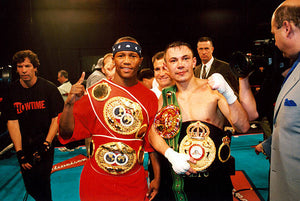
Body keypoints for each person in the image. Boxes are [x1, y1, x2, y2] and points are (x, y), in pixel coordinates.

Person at [58, 36, 160, 201]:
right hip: (97, 180)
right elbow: (66, 133)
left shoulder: (149, 98)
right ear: (113, 60)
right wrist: (68, 105)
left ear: (140, 61)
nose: (126, 61)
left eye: (132, 56)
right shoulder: (96, 93)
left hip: (133, 181)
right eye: (121, 56)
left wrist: (157, 177)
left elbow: (152, 144)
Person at [149, 41, 250, 201]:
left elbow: (243, 126)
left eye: (185, 58)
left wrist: (229, 94)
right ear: (167, 67)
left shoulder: (214, 90)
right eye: (174, 61)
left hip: (214, 180)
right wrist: (170, 154)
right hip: (178, 183)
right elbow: (153, 133)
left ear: (194, 62)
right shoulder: (166, 97)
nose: (180, 65)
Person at [255, 1, 300, 200]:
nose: (274, 42)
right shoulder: (294, 67)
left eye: (274, 34)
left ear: (287, 28)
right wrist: (270, 144)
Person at [5, 50, 64, 201]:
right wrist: (19, 152)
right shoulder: (12, 91)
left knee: (43, 182)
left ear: (35, 67)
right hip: (24, 145)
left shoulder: (49, 89)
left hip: (44, 142)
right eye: (20, 66)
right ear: (16, 68)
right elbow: (12, 121)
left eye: (27, 66)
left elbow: (56, 118)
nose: (23, 70)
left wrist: (47, 143)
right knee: (31, 186)